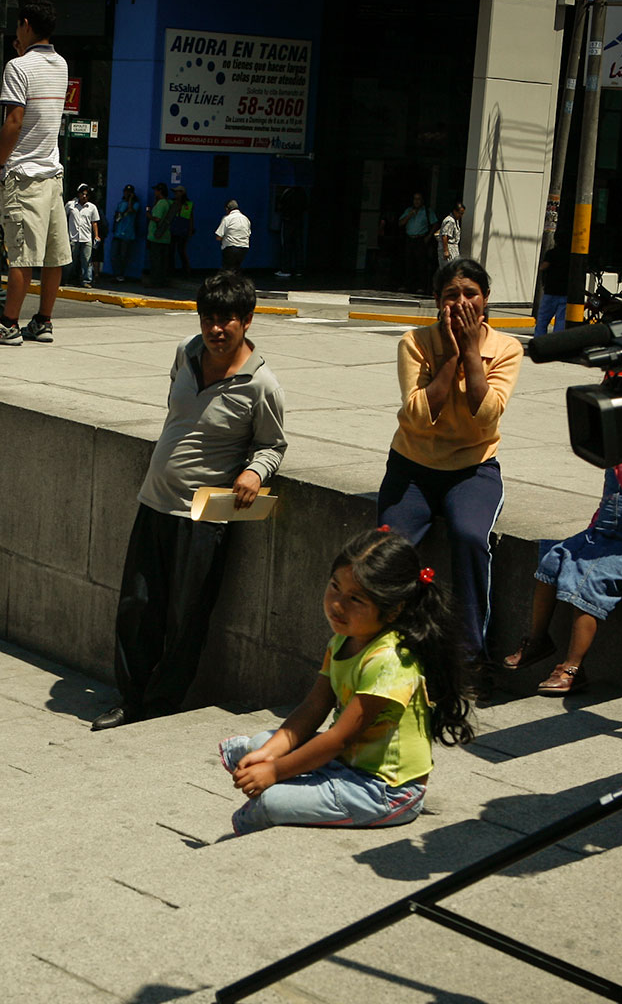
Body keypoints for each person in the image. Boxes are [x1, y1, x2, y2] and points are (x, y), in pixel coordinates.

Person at [92, 272, 288, 731]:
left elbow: (273, 445)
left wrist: (254, 472)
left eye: (228, 321)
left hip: (202, 518)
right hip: (154, 502)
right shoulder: (186, 352)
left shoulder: (262, 385)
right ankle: (132, 700)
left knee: (185, 621)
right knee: (136, 609)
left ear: (247, 321)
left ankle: (160, 708)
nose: (217, 330)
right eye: (209, 320)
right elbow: (175, 411)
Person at [219, 529, 476, 837]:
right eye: (334, 587)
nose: (337, 605)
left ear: (394, 609)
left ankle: (245, 828)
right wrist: (271, 753)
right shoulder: (343, 639)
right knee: (260, 744)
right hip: (344, 763)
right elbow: (315, 706)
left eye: (356, 599)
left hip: (383, 790)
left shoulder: (390, 661)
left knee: (270, 801)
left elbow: (339, 737)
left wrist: (274, 771)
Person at [377, 258, 523, 673]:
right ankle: (389, 648)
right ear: (437, 303)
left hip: (473, 468)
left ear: (486, 300)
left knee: (469, 537)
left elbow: (487, 414)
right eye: (451, 295)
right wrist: (450, 357)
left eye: (470, 294)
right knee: (389, 549)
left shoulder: (507, 349)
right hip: (413, 465)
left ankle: (472, 655)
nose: (461, 303)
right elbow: (419, 415)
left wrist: (472, 352)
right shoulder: (415, 342)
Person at [503, 447, 622, 696]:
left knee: (588, 580)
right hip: (604, 532)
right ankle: (538, 640)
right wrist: (593, 527)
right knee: (553, 559)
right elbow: (611, 498)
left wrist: (621, 459)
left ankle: (573, 667)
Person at [0, 0, 69, 346]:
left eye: (18, 27)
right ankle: (42, 321)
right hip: (53, 173)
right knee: (54, 255)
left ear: (25, 24)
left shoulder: (17, 67)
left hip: (23, 174)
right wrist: (24, 52)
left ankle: (9, 323)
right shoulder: (61, 64)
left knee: (22, 254)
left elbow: (14, 121)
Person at [398, 193, 435, 294]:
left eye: (419, 199)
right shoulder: (408, 210)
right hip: (410, 239)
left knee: (421, 263)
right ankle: (407, 285)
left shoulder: (427, 211)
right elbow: (400, 223)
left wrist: (428, 236)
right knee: (408, 263)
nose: (416, 201)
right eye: (415, 199)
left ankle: (421, 286)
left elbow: (435, 224)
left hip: (421, 239)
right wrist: (410, 215)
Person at [65, 184, 100, 287]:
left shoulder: (92, 207)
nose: (84, 196)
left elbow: (94, 222)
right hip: (73, 236)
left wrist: (96, 236)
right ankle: (67, 278)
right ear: (79, 194)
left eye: (86, 194)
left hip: (86, 237)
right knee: (71, 260)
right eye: (82, 194)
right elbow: (63, 217)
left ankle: (86, 280)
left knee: (87, 260)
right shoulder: (71, 205)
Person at [108, 183, 141, 283]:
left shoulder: (136, 204)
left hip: (127, 233)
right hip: (118, 232)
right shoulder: (121, 203)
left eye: (129, 192)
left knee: (123, 255)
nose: (126, 194)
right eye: (126, 192)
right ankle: (115, 274)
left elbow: (131, 210)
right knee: (114, 255)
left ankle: (121, 275)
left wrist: (131, 199)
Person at [533, 244, 567, 336]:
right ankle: (557, 341)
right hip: (565, 292)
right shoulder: (571, 254)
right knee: (560, 322)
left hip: (551, 291)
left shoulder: (552, 253)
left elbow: (543, 267)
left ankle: (539, 340)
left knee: (542, 320)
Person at [144, 182, 173, 288]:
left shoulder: (161, 203)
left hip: (156, 236)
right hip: (166, 236)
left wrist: (148, 215)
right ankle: (162, 280)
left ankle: (155, 281)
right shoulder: (169, 203)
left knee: (155, 261)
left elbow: (157, 218)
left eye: (156, 190)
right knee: (163, 261)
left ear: (159, 191)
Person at [215, 199, 250, 272]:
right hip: (244, 248)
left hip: (230, 247)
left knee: (227, 271)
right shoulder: (246, 219)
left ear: (227, 209)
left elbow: (219, 237)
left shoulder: (227, 219)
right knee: (236, 269)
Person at [170, 184, 195, 274]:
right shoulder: (172, 202)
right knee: (171, 251)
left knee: (181, 251)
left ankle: (186, 270)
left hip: (183, 230)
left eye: (177, 192)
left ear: (182, 193)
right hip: (173, 229)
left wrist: (191, 230)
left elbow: (191, 218)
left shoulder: (189, 204)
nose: (175, 194)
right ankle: (171, 270)